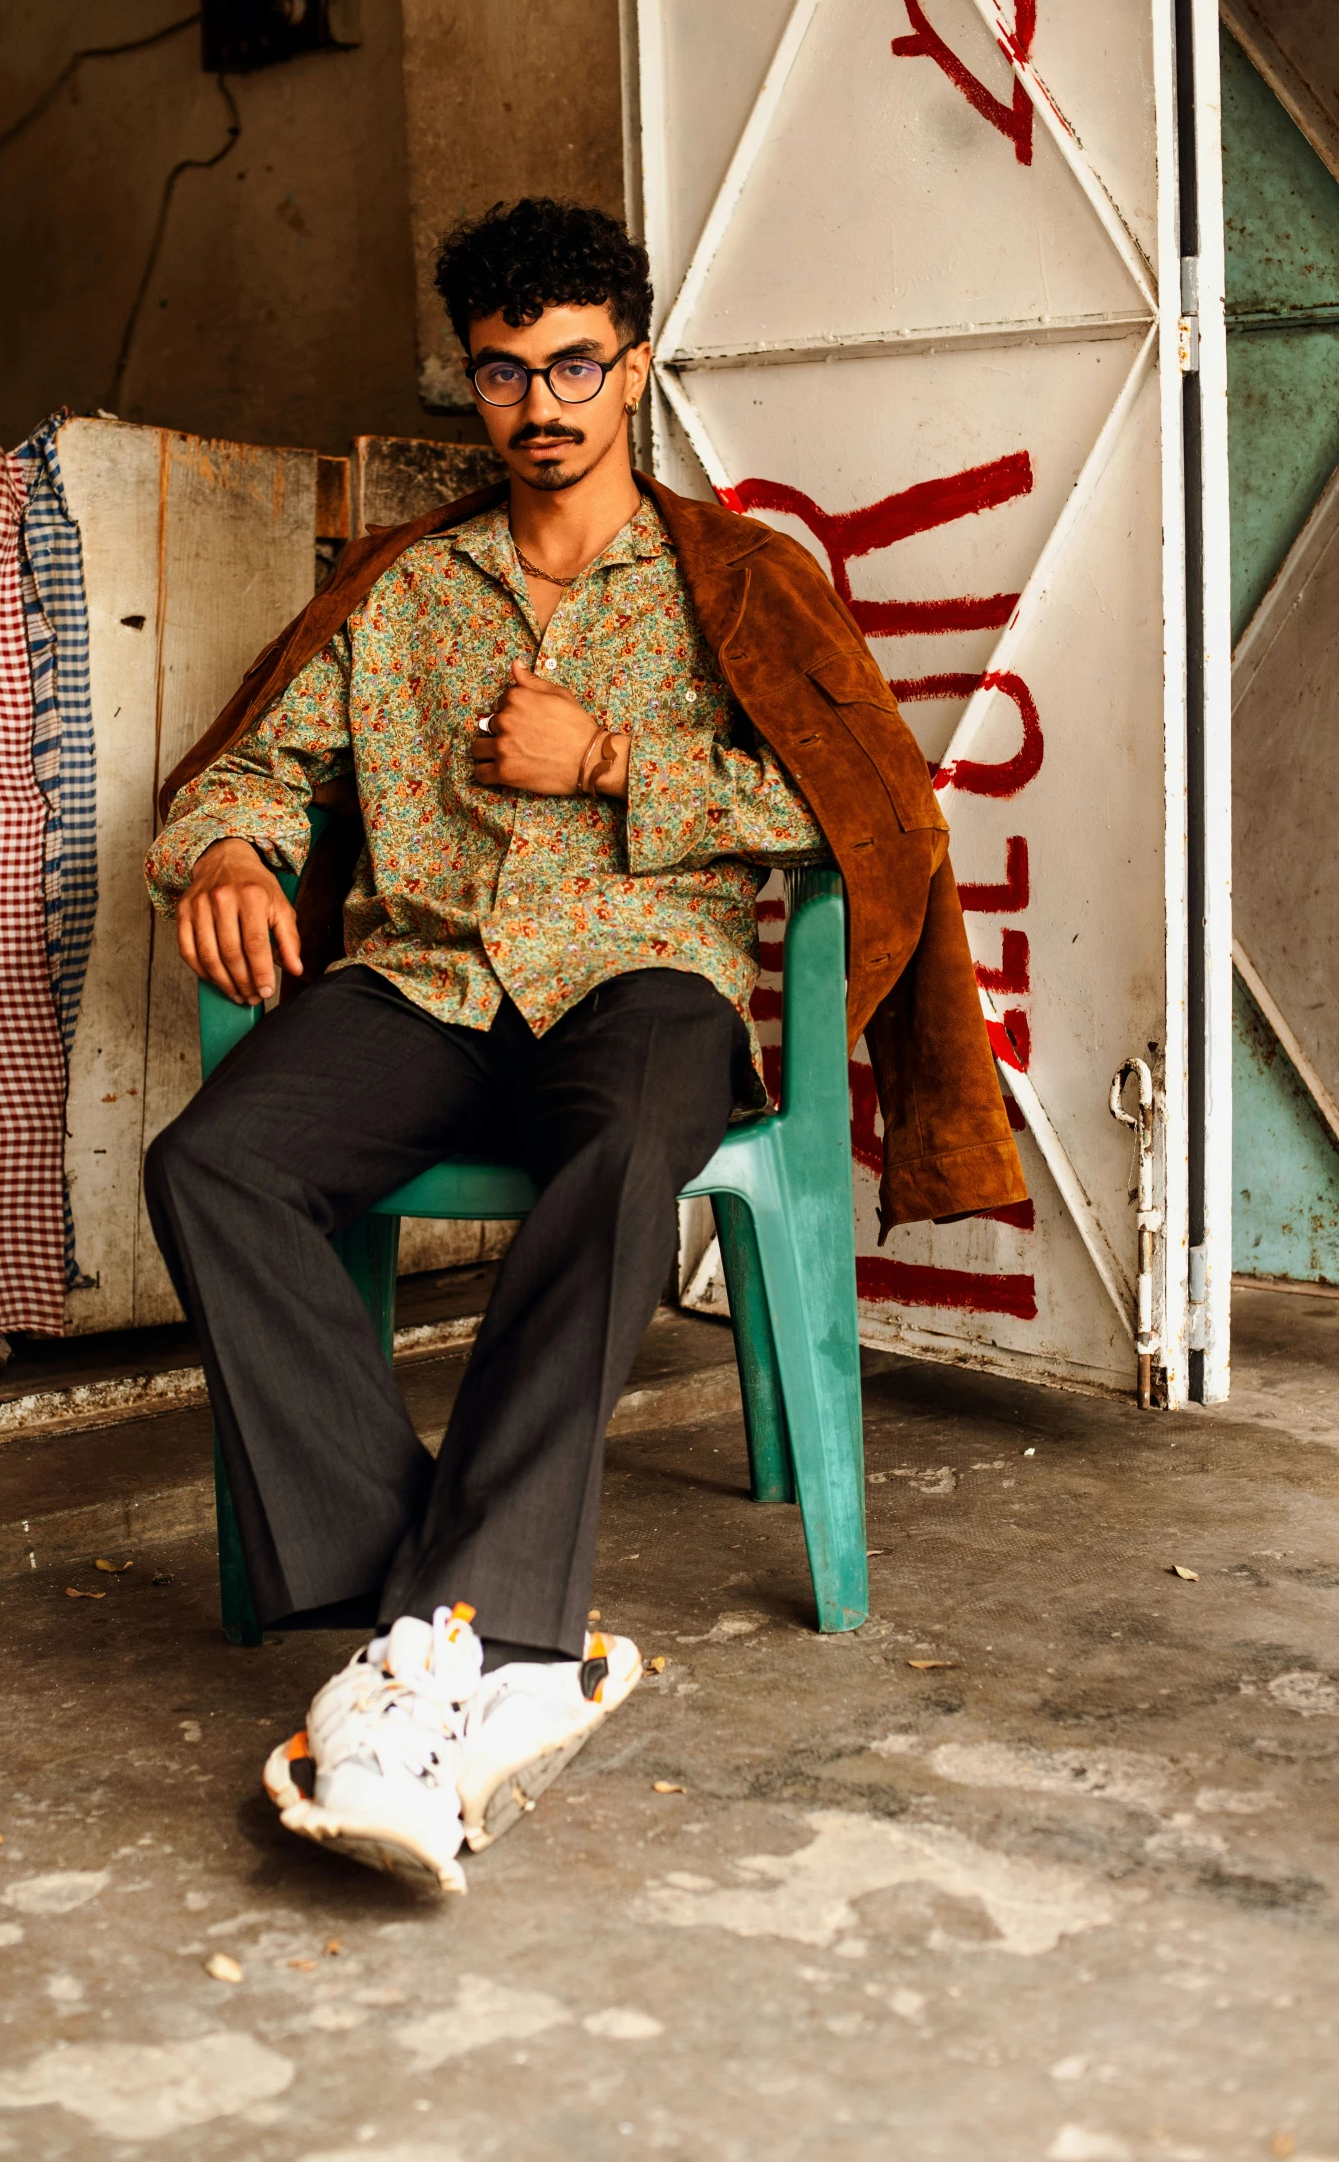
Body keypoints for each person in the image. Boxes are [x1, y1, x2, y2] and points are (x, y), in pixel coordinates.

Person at [143, 197, 1024, 1896]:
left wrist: (623, 762)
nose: (542, 405)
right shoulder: (400, 589)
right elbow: (243, 772)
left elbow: (864, 815)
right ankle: (475, 1627)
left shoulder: (738, 582)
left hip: (644, 984)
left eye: (574, 367)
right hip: (425, 984)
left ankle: (431, 1650)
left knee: (624, 1150)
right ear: (467, 382)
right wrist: (238, 851)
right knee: (214, 1163)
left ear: (631, 368)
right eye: (503, 373)